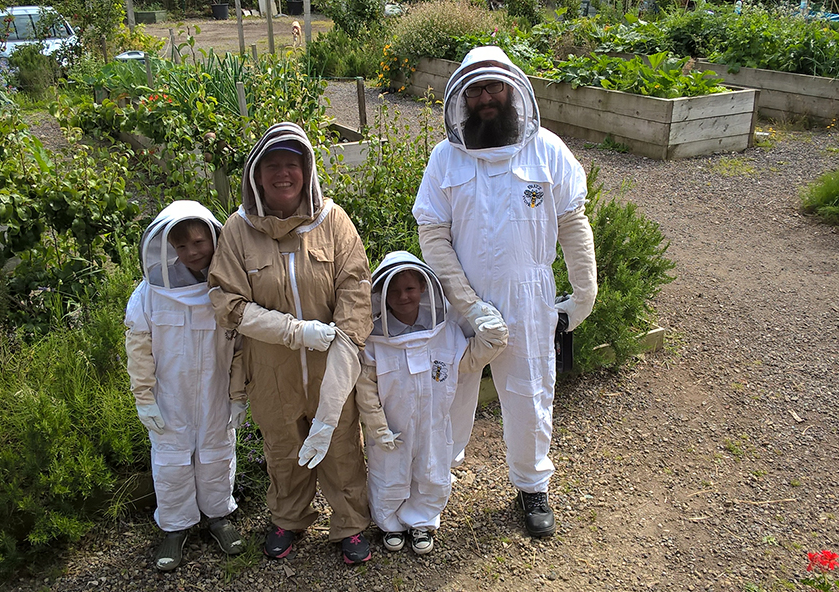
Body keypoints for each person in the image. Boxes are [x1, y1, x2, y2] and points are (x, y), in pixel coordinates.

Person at [412, 46, 598, 538]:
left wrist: (584, 294)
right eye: (474, 91)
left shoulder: (547, 150)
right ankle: (431, 489)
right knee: (449, 393)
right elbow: (432, 232)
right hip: (460, 304)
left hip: (529, 297)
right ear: (462, 99)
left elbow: (572, 223)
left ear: (512, 90)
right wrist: (466, 304)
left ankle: (532, 485)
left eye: (493, 87)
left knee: (530, 393)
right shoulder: (445, 158)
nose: (484, 98)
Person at [206, 122, 375, 564]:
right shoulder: (237, 230)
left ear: (307, 170)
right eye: (273, 165)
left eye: (292, 164)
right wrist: (292, 331)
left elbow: (356, 291)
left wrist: (340, 358)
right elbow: (227, 301)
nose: (283, 174)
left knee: (341, 446)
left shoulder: (334, 221)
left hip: (330, 368)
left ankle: (351, 524)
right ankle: (288, 517)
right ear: (256, 175)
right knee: (282, 448)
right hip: (269, 368)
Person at [355, 251, 507, 555]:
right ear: (381, 295)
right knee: (388, 472)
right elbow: (366, 388)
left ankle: (423, 521)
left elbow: (467, 360)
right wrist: (376, 426)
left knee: (430, 469)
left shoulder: (444, 333)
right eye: (394, 291)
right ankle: (390, 524)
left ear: (424, 288)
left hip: (434, 422)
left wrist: (493, 338)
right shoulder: (374, 341)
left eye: (410, 288)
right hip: (391, 428)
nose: (403, 297)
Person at [124, 200, 248, 571]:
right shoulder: (147, 294)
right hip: (169, 398)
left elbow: (241, 348)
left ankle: (218, 517)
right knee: (171, 461)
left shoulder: (227, 288)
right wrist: (144, 398)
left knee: (217, 453)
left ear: (214, 238)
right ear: (167, 248)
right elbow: (139, 349)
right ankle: (175, 527)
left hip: (215, 394)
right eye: (182, 246)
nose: (192, 252)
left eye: (199, 242)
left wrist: (238, 395)